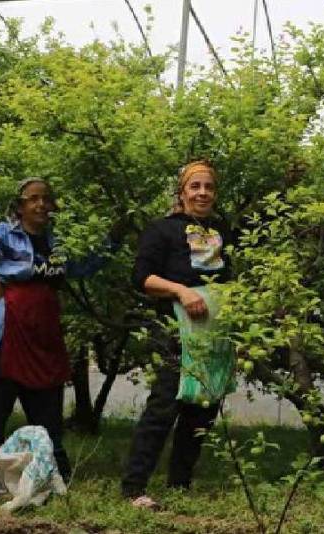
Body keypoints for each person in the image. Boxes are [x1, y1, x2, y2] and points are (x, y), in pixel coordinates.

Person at [0, 178, 114, 482]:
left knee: (48, 414)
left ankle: (55, 478)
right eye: (33, 199)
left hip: (45, 335)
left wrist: (113, 229)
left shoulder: (60, 242)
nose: (40, 205)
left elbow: (89, 265)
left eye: (46, 199)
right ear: (20, 206)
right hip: (5, 334)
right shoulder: (4, 235)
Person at [121, 160, 234, 509]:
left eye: (208, 187)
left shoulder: (223, 231)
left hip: (214, 331)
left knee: (203, 406)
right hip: (174, 329)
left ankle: (180, 482)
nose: (202, 193)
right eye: (195, 186)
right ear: (182, 192)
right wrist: (183, 292)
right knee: (165, 405)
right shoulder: (163, 230)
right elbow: (141, 277)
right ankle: (134, 487)